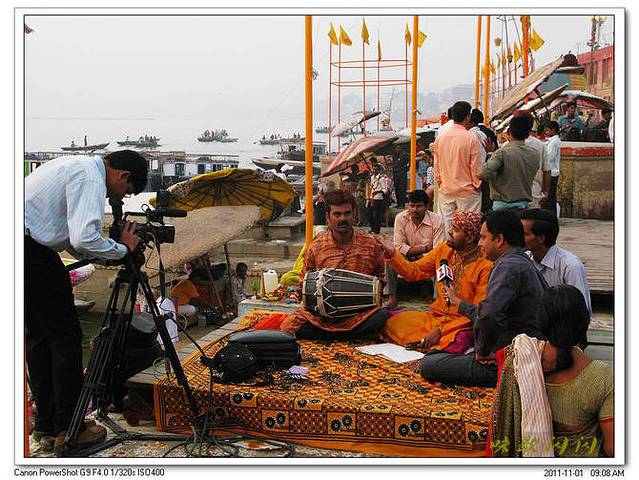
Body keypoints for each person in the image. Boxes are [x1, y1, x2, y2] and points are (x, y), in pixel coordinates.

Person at [25, 149, 148, 453]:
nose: (117, 197)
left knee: (41, 338)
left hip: (24, 247)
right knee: (66, 339)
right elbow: (83, 238)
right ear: (123, 175)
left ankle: (47, 425)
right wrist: (124, 249)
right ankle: (71, 429)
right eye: (126, 191)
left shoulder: (76, 166)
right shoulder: (91, 178)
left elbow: (73, 240)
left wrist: (110, 253)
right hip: (32, 251)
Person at [425, 209, 546, 387]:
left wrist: (483, 352)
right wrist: (457, 302)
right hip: (516, 347)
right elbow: (487, 313)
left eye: (483, 237)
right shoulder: (520, 261)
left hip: (512, 360)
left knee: (428, 364)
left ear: (500, 239)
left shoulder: (507, 267)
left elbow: (489, 315)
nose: (480, 243)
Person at [490, 286, 613, 457]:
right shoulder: (603, 377)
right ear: (584, 322)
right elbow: (612, 448)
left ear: (542, 321)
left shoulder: (519, 360)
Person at [376, 210, 492, 354]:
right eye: (452, 226)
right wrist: (392, 253)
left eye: (456, 229)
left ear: (469, 238)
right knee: (391, 322)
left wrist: (441, 331)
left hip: (463, 324)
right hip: (436, 318)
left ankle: (433, 346)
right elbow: (414, 271)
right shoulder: (444, 250)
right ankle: (430, 346)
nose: (449, 231)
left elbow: (478, 313)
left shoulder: (486, 266)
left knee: (458, 341)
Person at [280, 190, 389, 339]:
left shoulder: (370, 244)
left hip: (359, 314)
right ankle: (349, 335)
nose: (342, 219)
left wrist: (370, 294)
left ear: (354, 214)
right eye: (337, 214)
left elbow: (380, 277)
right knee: (290, 324)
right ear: (328, 217)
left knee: (381, 316)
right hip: (324, 316)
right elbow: (304, 282)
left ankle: (331, 335)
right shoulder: (316, 246)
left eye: (347, 213)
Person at [519, 208, 591, 347]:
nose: (518, 237)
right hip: (534, 331)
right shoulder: (525, 259)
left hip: (564, 336)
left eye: (524, 234)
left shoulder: (570, 266)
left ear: (541, 238)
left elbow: (580, 313)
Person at [384, 189, 447, 307]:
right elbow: (399, 247)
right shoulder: (400, 218)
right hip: (408, 258)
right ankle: (392, 297)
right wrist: (425, 248)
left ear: (427, 206)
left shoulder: (437, 220)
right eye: (412, 206)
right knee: (390, 256)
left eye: (419, 206)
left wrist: (423, 255)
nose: (414, 210)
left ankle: (437, 300)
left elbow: (438, 249)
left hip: (428, 260)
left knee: (442, 259)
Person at [432, 101, 483, 229]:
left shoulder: (441, 138)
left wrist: (440, 181)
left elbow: (437, 164)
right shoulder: (471, 138)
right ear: (467, 117)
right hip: (467, 191)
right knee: (469, 228)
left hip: (446, 189)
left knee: (447, 228)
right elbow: (475, 166)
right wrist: (477, 185)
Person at [481, 115, 539, 210]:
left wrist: (490, 154)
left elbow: (482, 173)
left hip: (502, 206)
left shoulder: (502, 153)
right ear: (528, 134)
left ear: (508, 132)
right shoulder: (534, 154)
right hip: (524, 205)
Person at [513, 111, 552, 209]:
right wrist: (545, 192)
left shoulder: (507, 146)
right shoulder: (540, 145)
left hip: (513, 197)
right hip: (534, 194)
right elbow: (547, 171)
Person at [469, 108, 496, 213]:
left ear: (471, 122)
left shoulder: (470, 134)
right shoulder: (490, 133)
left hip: (473, 176)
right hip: (489, 170)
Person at [367, 160, 393, 234]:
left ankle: (376, 230)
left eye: (376, 169)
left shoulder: (382, 179)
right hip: (371, 198)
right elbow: (372, 187)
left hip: (378, 199)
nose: (374, 171)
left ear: (379, 170)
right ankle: (372, 228)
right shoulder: (372, 177)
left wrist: (378, 192)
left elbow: (385, 190)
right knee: (369, 214)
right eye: (373, 169)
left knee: (377, 215)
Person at [543, 120, 562, 216]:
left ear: (553, 130)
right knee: (551, 196)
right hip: (553, 171)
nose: (546, 132)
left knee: (550, 196)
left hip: (552, 171)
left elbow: (549, 157)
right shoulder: (552, 141)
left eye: (547, 130)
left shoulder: (554, 142)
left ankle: (550, 216)